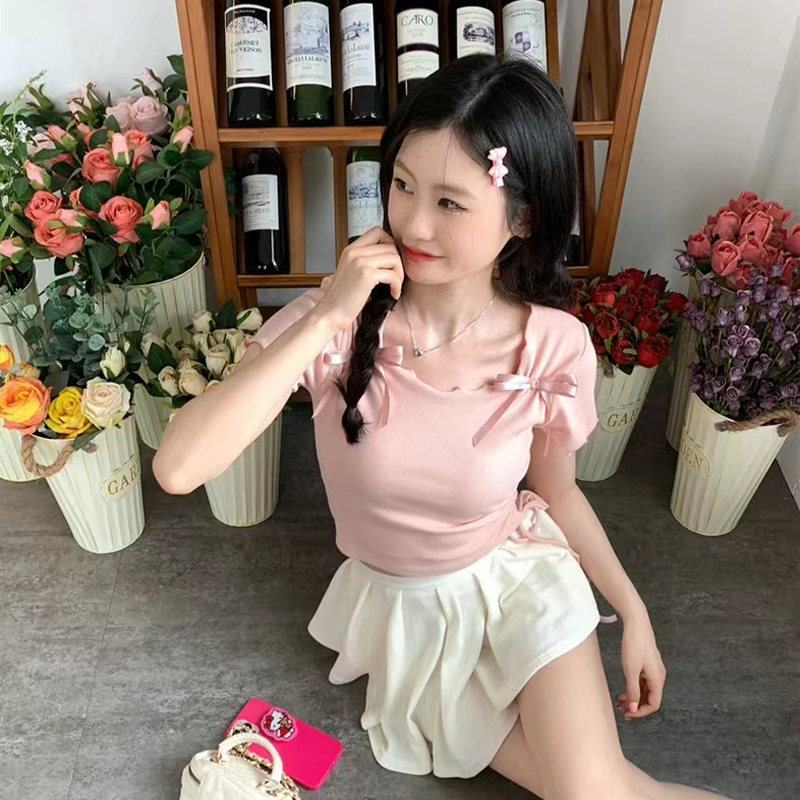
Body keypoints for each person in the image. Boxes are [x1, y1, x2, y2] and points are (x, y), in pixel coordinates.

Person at [154, 55, 735, 800]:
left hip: (520, 585)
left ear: (522, 218)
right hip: (413, 623)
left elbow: (557, 492)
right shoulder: (330, 327)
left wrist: (634, 610)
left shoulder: (550, 345)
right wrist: (327, 315)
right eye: (402, 185)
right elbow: (178, 467)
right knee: (618, 790)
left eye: (451, 202)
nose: (414, 224)